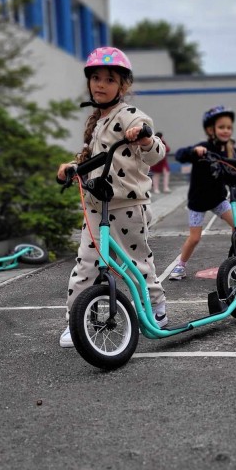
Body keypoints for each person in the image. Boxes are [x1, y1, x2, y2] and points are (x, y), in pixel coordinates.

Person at [56, 46, 168, 348]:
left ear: (123, 86)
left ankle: (157, 309)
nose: (101, 85)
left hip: (127, 204)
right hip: (97, 206)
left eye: (109, 79)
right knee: (86, 266)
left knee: (137, 264)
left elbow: (156, 153)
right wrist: (71, 167)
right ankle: (76, 321)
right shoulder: (97, 121)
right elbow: (91, 158)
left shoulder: (130, 116)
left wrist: (144, 137)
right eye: (96, 78)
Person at [168, 105, 236, 280]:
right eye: (221, 127)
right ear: (211, 130)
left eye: (229, 127)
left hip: (218, 199)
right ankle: (180, 266)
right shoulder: (204, 147)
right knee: (195, 238)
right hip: (198, 201)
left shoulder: (230, 149)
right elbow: (180, 155)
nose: (226, 131)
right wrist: (194, 151)